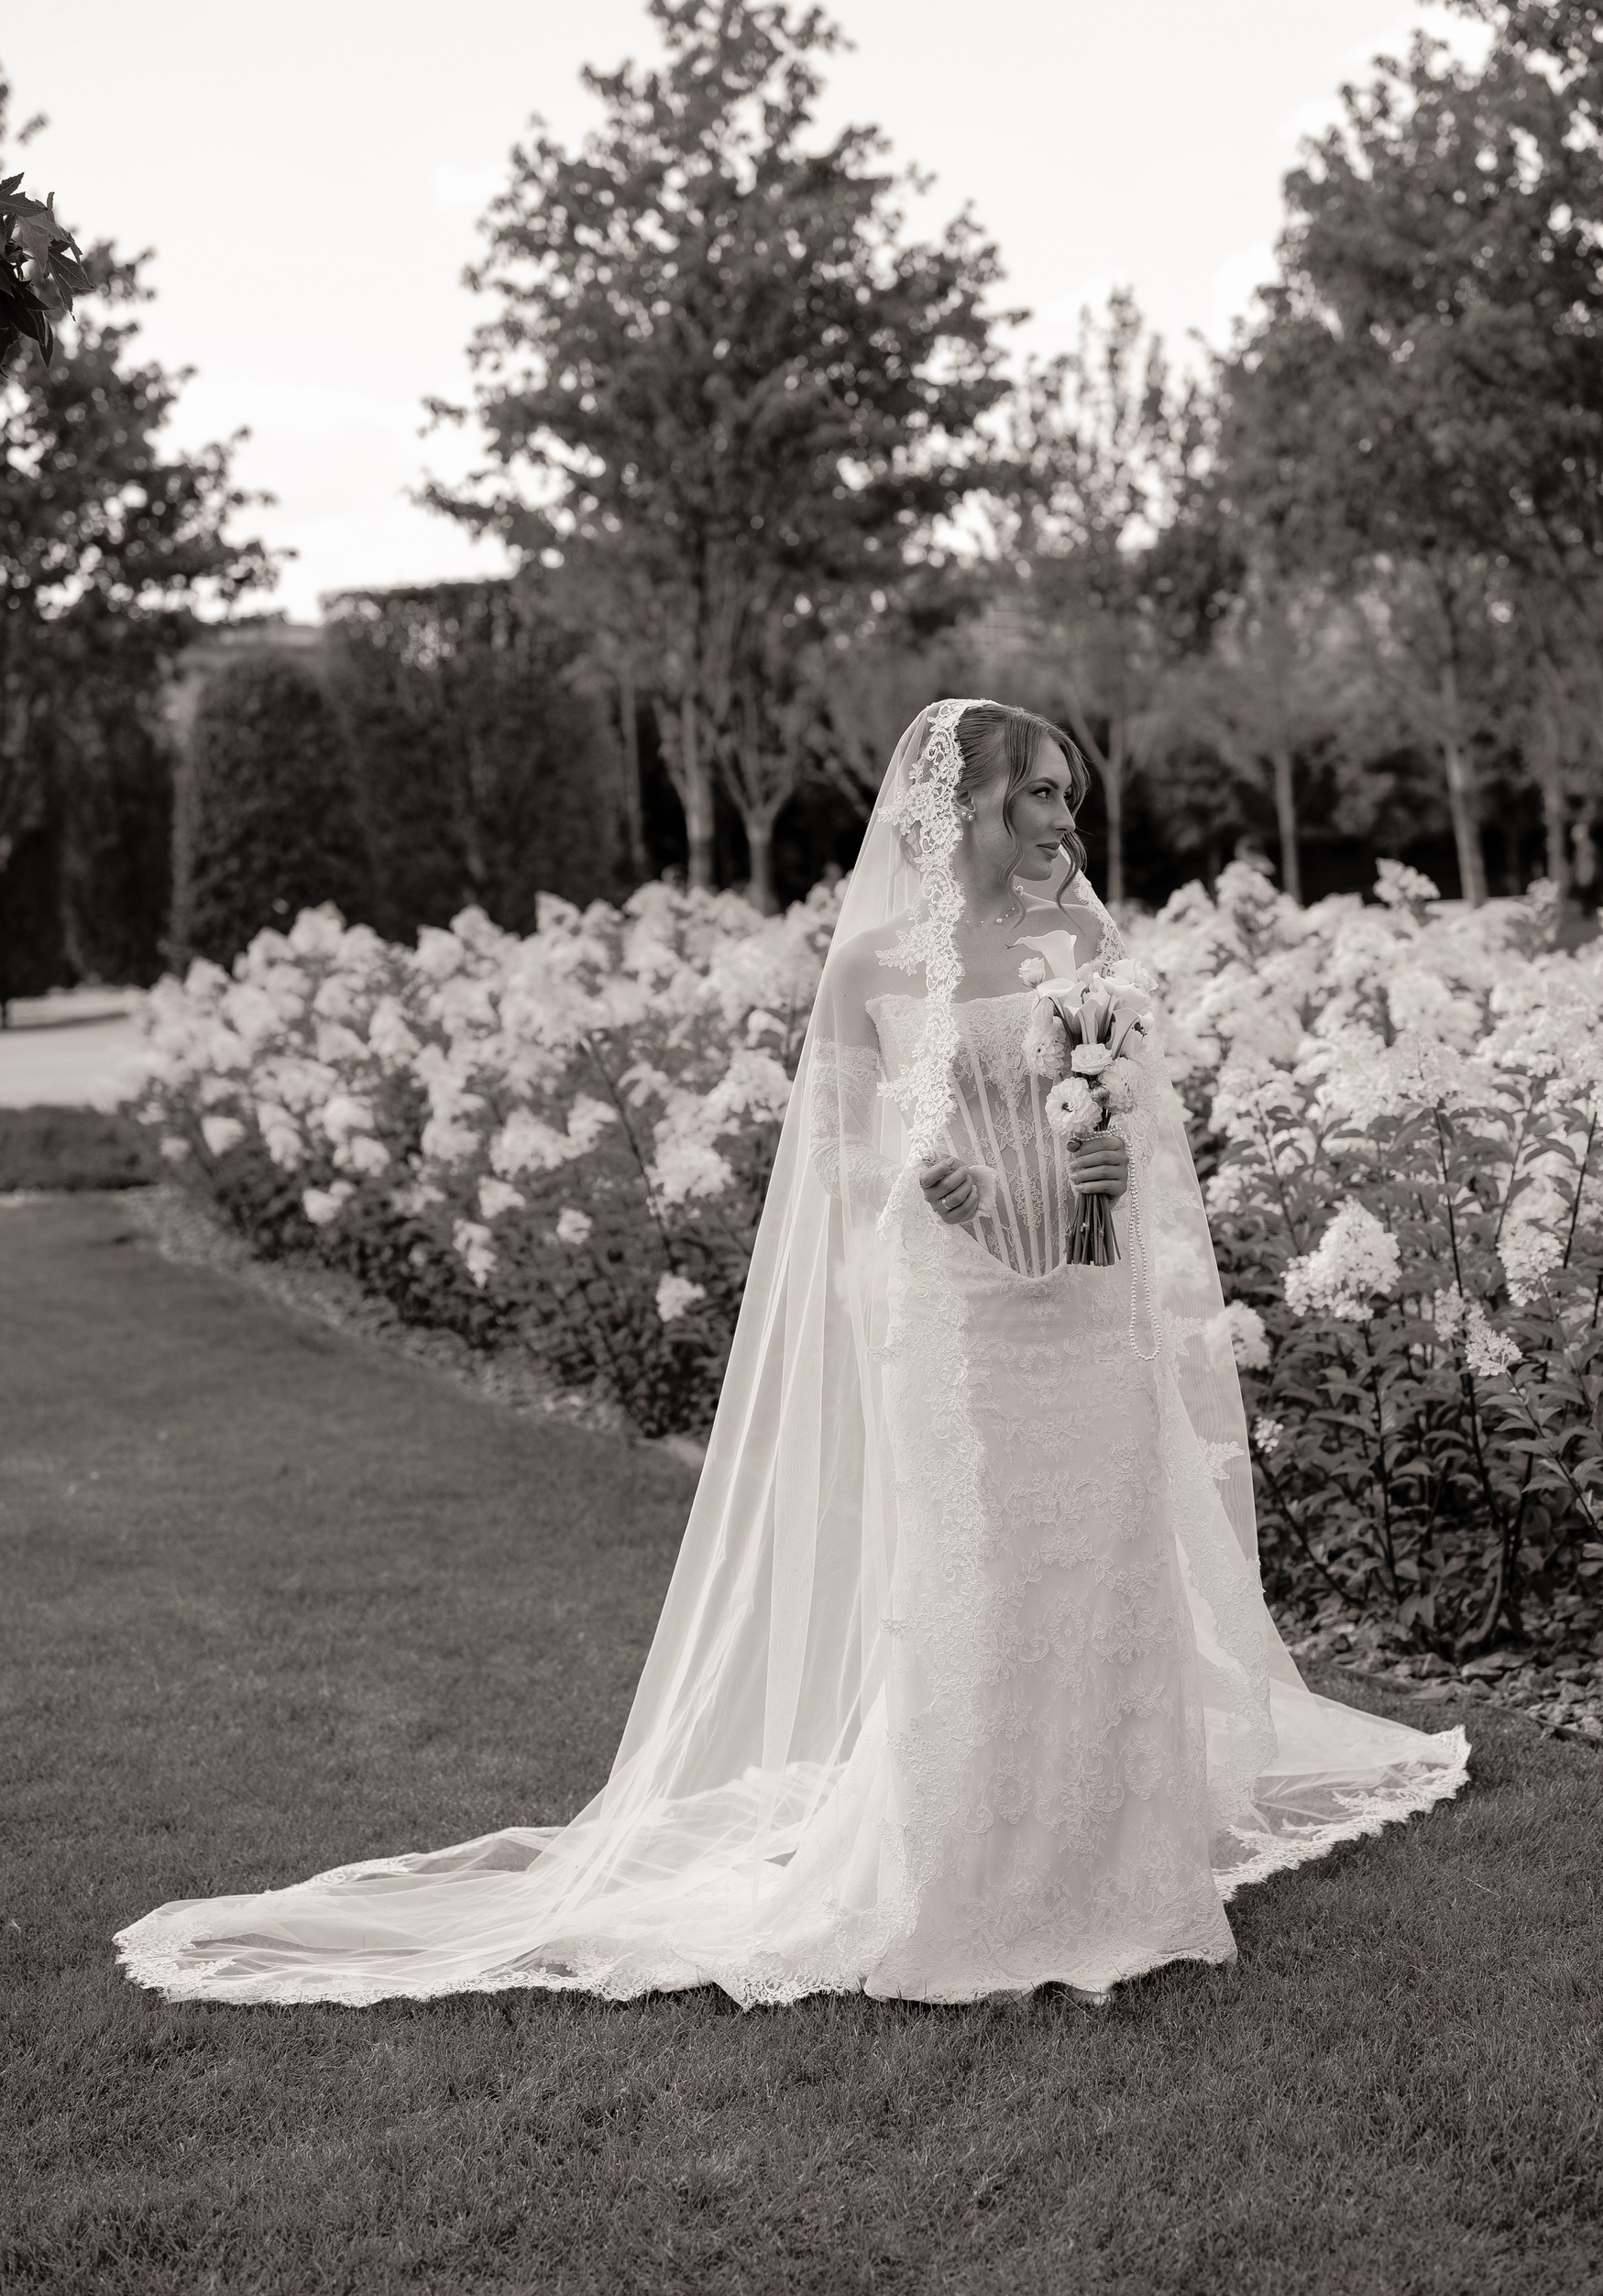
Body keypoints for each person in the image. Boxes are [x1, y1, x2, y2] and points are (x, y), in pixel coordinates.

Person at [116, 698, 1467, 2009]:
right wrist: (930, 1184)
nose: (1067, 816)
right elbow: (836, 1159)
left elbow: (1136, 1117)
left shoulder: (1082, 938)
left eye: (1069, 792)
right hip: (963, 1318)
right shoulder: (871, 964)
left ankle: (1129, 1873)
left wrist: (1107, 1161)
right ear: (966, 806)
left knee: (1106, 1566)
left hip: (1086, 1304)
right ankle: (967, 1884)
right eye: (1042, 791)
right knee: (980, 1579)